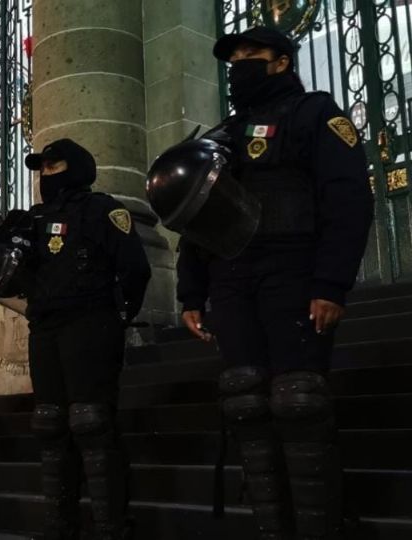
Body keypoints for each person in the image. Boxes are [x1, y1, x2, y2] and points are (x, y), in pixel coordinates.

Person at [175, 27, 373, 540]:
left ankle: (321, 525)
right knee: (245, 402)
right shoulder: (221, 135)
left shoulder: (315, 114)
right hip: (232, 279)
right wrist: (191, 292)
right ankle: (272, 528)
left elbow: (347, 199)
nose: (239, 63)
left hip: (296, 272)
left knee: (297, 400)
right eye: (233, 57)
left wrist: (331, 284)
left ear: (281, 62)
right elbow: (197, 218)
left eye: (250, 55)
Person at [18, 139, 151, 540]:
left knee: (91, 423)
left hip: (91, 323)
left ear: (75, 167)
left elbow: (135, 269)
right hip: (46, 329)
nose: (46, 176)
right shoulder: (35, 221)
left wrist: (119, 316)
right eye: (42, 169)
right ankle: (60, 524)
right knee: (50, 425)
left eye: (53, 167)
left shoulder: (102, 210)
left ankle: (111, 526)